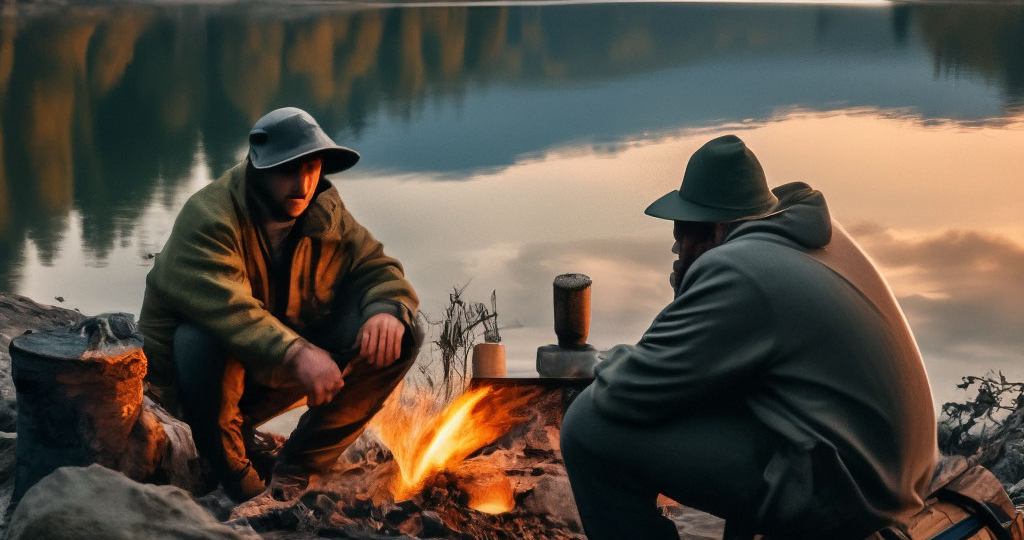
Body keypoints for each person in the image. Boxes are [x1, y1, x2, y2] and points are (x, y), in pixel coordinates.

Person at [560, 135, 937, 540]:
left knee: (587, 426)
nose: (675, 244)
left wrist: (607, 358)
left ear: (714, 229)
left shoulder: (739, 270)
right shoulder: (810, 237)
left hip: (850, 496)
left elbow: (626, 393)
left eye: (683, 229)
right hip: (893, 473)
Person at [138, 107, 421, 502]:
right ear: (259, 167)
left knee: (402, 330)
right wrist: (300, 353)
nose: (303, 184)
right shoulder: (209, 218)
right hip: (181, 398)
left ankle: (297, 467)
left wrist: (387, 309)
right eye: (289, 169)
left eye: (312, 168)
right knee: (200, 338)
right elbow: (233, 313)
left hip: (259, 376)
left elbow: (375, 266)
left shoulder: (324, 211)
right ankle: (237, 481)